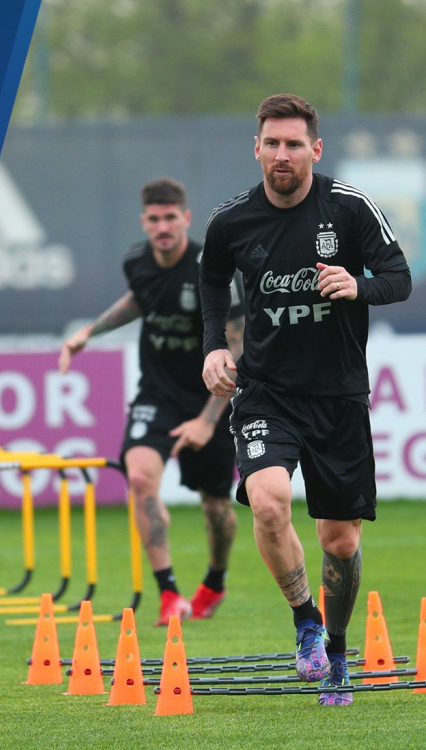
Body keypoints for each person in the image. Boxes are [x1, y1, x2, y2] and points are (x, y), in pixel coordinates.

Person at [199, 93, 412, 706]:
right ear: (257, 148)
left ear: (315, 149)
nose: (283, 154)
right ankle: (306, 623)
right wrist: (214, 348)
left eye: (295, 144)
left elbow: (398, 278)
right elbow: (212, 280)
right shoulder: (231, 220)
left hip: (340, 395)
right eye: (272, 143)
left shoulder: (350, 209)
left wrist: (358, 284)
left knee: (339, 540)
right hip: (267, 392)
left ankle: (340, 650)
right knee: (268, 502)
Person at [60, 178, 245, 627]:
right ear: (144, 222)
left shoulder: (213, 268)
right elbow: (140, 299)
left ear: (186, 218)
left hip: (211, 393)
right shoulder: (135, 261)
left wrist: (206, 419)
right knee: (140, 477)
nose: (162, 227)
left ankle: (214, 581)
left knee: (216, 506)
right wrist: (90, 332)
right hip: (157, 394)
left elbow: (237, 346)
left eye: (171, 218)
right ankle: (168, 594)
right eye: (154, 219)